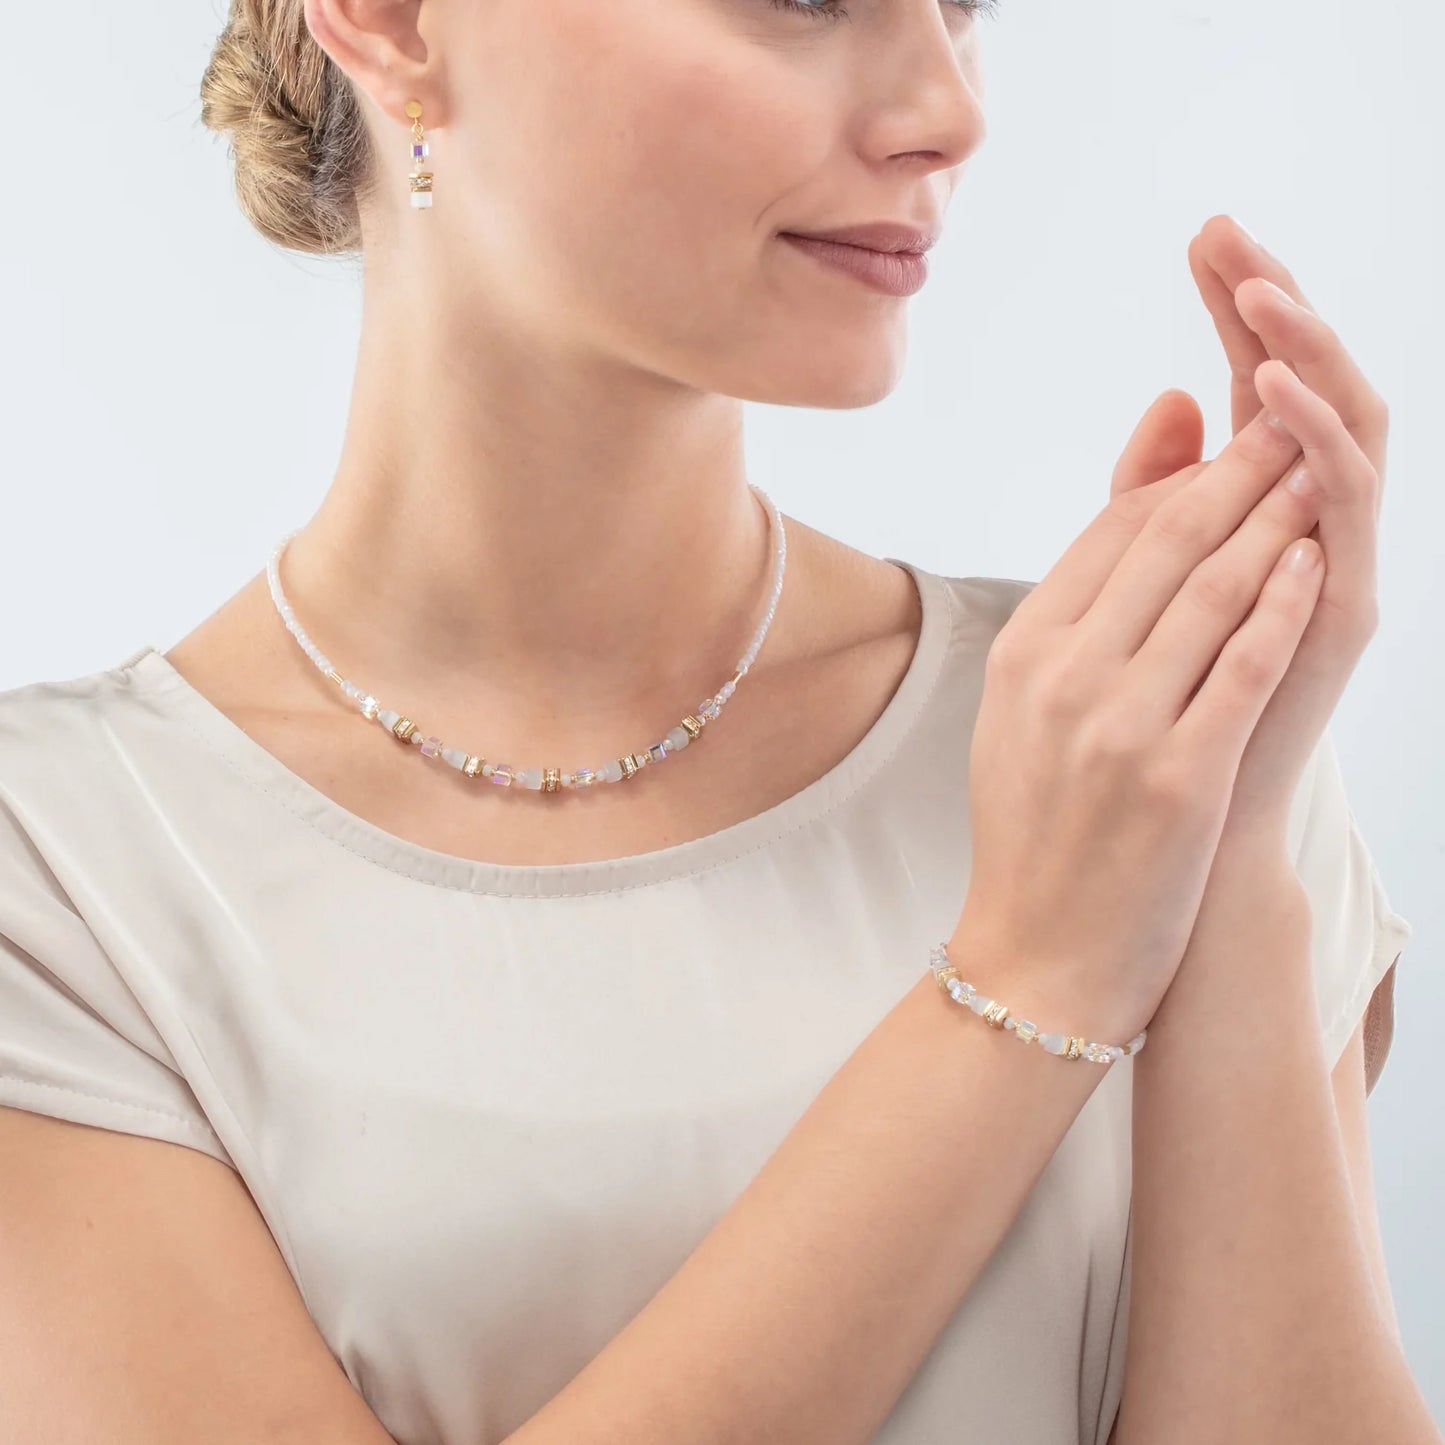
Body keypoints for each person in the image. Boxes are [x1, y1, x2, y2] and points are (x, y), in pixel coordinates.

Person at [0, 2, 1432, 1442]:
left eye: (962, 8)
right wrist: (1035, 974)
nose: (950, 106)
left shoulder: (1130, 738)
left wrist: (1230, 843)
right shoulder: (69, 878)